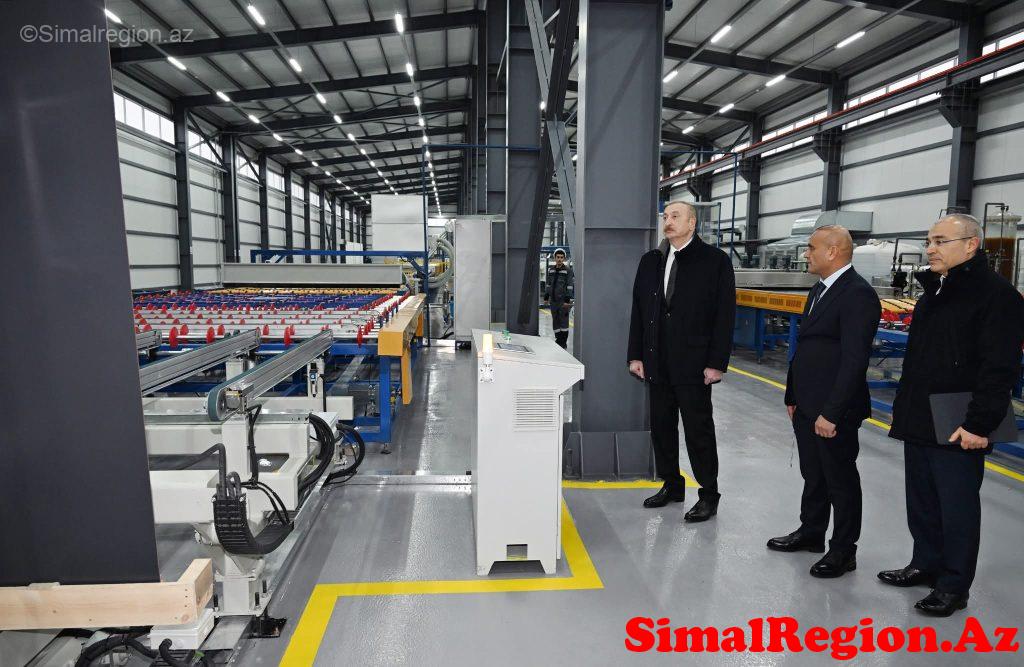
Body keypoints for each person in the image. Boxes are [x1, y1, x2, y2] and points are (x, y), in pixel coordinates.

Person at [879, 213, 1024, 616]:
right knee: (922, 498)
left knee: (956, 505)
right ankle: (925, 563)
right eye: (929, 241)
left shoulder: (996, 296)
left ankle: (954, 586)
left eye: (940, 241)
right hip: (921, 413)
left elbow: (999, 368)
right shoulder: (937, 291)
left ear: (971, 245)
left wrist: (979, 424)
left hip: (959, 417)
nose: (930, 249)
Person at [768, 226, 881, 578]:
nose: (806, 254)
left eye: (811, 248)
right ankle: (812, 531)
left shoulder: (858, 294)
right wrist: (792, 394)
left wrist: (832, 413)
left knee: (840, 479)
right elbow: (805, 347)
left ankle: (844, 550)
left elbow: (854, 360)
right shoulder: (819, 289)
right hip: (807, 402)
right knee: (813, 474)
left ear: (832, 251)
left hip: (835, 408)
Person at [627, 201, 736, 522]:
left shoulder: (714, 261)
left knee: (698, 430)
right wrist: (636, 354)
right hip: (656, 361)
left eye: (675, 216)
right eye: (665, 216)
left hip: (694, 363)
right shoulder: (651, 261)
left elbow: (724, 315)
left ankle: (709, 493)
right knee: (662, 427)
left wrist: (716, 363)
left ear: (692, 223)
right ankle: (672, 484)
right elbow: (639, 310)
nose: (668, 221)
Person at [544, 248, 574, 349]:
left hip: (563, 301)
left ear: (564, 258)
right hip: (553, 301)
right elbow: (548, 284)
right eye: (558, 257)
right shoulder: (551, 270)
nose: (560, 259)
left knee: (563, 321)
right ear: (555, 258)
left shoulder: (568, 271)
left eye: (561, 257)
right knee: (555, 320)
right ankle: (558, 339)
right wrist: (546, 296)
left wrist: (567, 300)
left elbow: (570, 286)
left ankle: (563, 342)